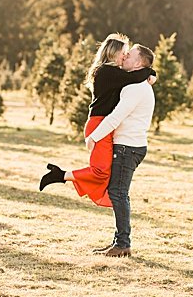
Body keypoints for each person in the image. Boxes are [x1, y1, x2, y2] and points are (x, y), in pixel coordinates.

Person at [38, 34, 154, 209]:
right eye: (124, 52)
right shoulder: (106, 71)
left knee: (104, 173)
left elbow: (135, 75)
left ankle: (60, 175)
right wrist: (151, 73)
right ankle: (60, 176)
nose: (125, 56)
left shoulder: (115, 72)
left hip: (104, 124)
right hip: (99, 124)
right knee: (100, 172)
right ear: (114, 52)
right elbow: (135, 76)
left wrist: (149, 73)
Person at [78, 44, 155, 257]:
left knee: (118, 193)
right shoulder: (139, 84)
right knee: (118, 192)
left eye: (129, 55)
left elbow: (115, 117)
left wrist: (94, 136)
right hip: (131, 145)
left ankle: (122, 244)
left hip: (127, 147)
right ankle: (119, 241)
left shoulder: (135, 87)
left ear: (138, 63)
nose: (125, 57)